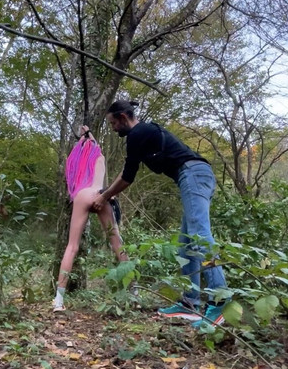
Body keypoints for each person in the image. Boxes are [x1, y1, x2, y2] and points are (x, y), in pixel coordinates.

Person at [91, 100, 228, 329]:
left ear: (124, 117)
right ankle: (190, 304)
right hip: (192, 177)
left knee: (200, 237)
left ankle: (220, 301)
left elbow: (128, 176)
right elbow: (127, 174)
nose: (113, 128)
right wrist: (107, 193)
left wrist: (104, 196)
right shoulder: (143, 134)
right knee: (186, 244)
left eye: (113, 123)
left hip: (193, 174)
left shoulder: (138, 133)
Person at [54, 126, 129, 312]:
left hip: (82, 195)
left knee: (72, 247)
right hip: (100, 194)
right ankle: (134, 292)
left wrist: (83, 136)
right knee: (118, 244)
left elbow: (86, 145)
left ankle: (58, 300)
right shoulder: (100, 156)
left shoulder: (74, 161)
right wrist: (88, 134)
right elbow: (95, 145)